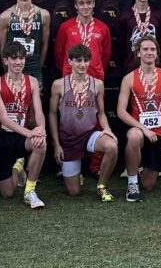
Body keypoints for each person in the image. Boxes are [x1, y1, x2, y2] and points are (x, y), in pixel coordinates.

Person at [49, 44, 118, 202]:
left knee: (112, 146)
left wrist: (107, 129)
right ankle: (76, 175)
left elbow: (100, 112)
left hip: (89, 134)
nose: (82, 64)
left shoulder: (97, 84)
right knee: (73, 192)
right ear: (70, 61)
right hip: (68, 139)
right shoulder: (59, 85)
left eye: (86, 60)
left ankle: (102, 186)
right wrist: (56, 144)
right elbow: (52, 114)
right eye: (78, 60)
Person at [116, 36, 161, 202]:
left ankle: (139, 169)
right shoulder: (129, 78)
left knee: (148, 185)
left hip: (160, 131)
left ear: (157, 54)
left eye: (152, 50)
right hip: (139, 129)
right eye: (145, 49)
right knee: (135, 136)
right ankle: (132, 183)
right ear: (138, 53)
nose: (149, 53)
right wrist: (144, 129)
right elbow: (121, 111)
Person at [0, 41, 47, 209]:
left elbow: (39, 112)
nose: (18, 62)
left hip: (22, 136)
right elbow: (4, 119)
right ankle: (19, 165)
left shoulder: (33, 81)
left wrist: (40, 130)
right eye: (13, 58)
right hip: (1, 137)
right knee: (8, 193)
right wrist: (31, 133)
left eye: (21, 58)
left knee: (40, 144)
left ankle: (30, 191)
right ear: (5, 61)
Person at [0, 0, 51, 86]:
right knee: (13, 100)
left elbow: (44, 44)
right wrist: (7, 67)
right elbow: (2, 46)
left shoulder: (43, 14)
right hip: (12, 66)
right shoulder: (5, 16)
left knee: (34, 101)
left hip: (34, 67)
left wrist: (38, 66)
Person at [118, 0, 161, 73]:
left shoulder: (158, 15)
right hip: (131, 67)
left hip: (153, 67)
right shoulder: (125, 16)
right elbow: (121, 43)